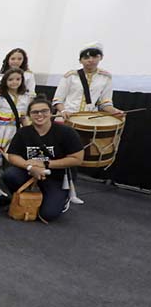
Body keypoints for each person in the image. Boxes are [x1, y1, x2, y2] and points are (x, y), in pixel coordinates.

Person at [51, 42, 123, 205]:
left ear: (100, 57)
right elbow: (57, 99)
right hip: (65, 119)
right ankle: (61, 189)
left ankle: (70, 190)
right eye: (86, 57)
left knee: (74, 157)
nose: (90, 60)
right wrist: (63, 111)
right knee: (59, 154)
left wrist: (115, 111)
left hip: (86, 122)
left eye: (94, 56)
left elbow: (105, 102)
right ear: (81, 59)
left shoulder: (106, 77)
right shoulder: (70, 76)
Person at [3, 95, 84, 223]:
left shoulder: (66, 132)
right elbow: (13, 156)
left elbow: (77, 159)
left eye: (44, 111)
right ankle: (24, 195)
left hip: (56, 177)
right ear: (29, 115)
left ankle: (59, 198)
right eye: (35, 112)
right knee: (10, 175)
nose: (39, 115)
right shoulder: (23, 132)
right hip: (29, 172)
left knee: (47, 215)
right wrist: (30, 167)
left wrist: (45, 164)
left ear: (51, 112)